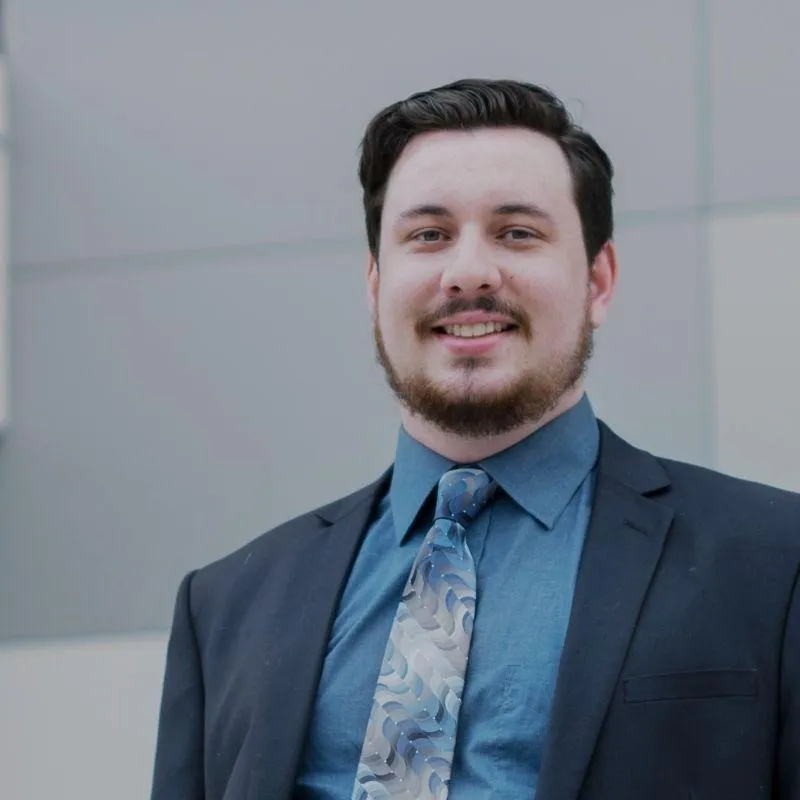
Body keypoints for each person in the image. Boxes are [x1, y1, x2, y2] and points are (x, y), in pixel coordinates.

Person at [150, 79, 800, 800]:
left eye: (517, 232)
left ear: (598, 281)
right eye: (427, 235)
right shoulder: (225, 607)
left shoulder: (776, 563)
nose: (468, 274)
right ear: (375, 283)